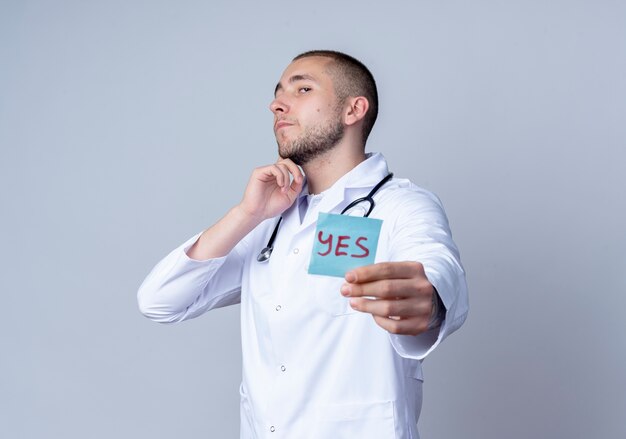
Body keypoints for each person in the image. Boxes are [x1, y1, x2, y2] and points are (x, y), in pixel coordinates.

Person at [137, 50, 468, 439]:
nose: (277, 103)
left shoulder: (400, 205)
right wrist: (247, 213)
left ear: (353, 110)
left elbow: (436, 265)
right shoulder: (269, 220)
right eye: (278, 94)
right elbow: (159, 301)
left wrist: (429, 301)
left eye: (303, 89)